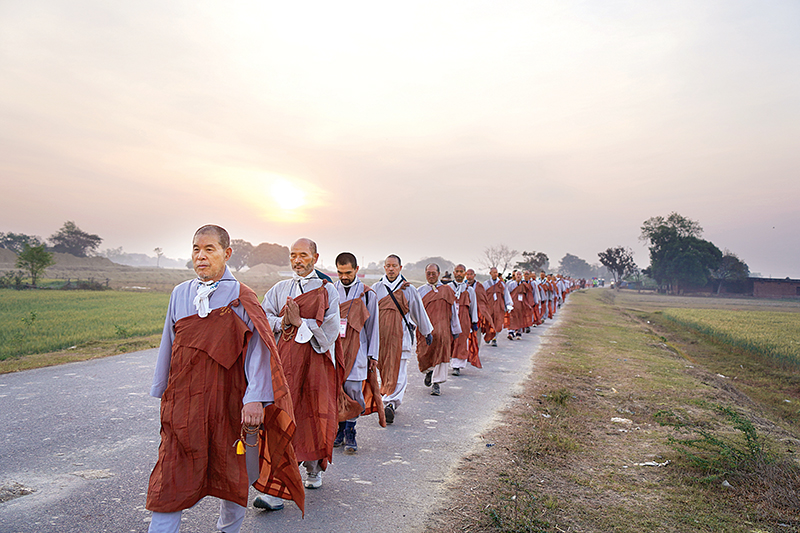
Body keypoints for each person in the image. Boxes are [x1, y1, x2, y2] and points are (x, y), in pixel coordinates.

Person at [146, 225, 303, 533]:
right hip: (184, 400)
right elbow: (169, 343)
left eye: (209, 250)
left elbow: (259, 349)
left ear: (226, 254)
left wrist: (255, 397)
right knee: (171, 472)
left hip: (227, 400)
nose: (201, 256)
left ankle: (228, 530)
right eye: (196, 249)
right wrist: (162, 389)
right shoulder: (180, 293)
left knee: (231, 471)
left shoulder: (242, 296)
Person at [258, 238, 339, 505]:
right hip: (283, 364)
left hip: (315, 365)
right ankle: (277, 486)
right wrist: (282, 322)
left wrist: (299, 323)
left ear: (315, 258)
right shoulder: (281, 288)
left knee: (311, 415)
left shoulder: (328, 291)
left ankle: (312, 469)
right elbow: (263, 316)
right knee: (282, 415)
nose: (297, 260)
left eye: (303, 255)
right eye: (293, 255)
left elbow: (329, 335)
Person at [372, 254, 433, 423]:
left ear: (400, 268)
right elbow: (368, 314)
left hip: (401, 337)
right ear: (384, 268)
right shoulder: (376, 288)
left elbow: (418, 311)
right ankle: (385, 397)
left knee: (399, 370)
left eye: (394, 266)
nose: (391, 269)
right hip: (381, 338)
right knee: (383, 370)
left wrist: (427, 331)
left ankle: (390, 403)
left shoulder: (409, 289)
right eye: (388, 266)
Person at [332, 252, 380, 454]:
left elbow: (373, 327)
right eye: (340, 272)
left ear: (357, 270)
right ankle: (340, 429)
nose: (344, 276)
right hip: (335, 351)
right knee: (336, 391)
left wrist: (373, 355)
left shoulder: (367, 294)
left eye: (348, 272)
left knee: (353, 390)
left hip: (358, 350)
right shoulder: (331, 291)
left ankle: (351, 430)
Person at [417, 263, 461, 396]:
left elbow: (453, 311)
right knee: (424, 354)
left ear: (438, 274)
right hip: (425, 331)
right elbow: (414, 312)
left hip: (443, 330)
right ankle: (429, 371)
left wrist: (455, 329)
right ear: (425, 274)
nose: (431, 276)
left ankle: (436, 383)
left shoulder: (447, 290)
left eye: (433, 273)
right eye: (428, 273)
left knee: (441, 355)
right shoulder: (419, 291)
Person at [447, 264, 480, 375]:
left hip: (463, 319)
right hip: (449, 318)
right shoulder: (447, 288)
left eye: (461, 271)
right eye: (457, 271)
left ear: (465, 274)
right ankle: (447, 360)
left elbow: (473, 306)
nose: (459, 274)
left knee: (461, 341)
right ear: (454, 273)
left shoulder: (469, 290)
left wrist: (474, 321)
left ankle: (457, 365)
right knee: (449, 340)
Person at [483, 267, 513, 346]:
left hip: (499, 307)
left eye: (496, 272)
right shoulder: (486, 284)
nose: (495, 274)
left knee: (498, 323)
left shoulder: (502, 284)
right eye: (493, 272)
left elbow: (506, 294)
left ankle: (494, 338)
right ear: (490, 273)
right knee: (489, 323)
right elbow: (482, 296)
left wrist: (508, 304)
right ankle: (489, 335)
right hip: (489, 307)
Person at [506, 270, 530, 340]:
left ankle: (518, 332)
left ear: (521, 276)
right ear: (515, 276)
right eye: (517, 274)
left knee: (520, 317)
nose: (518, 276)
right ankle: (511, 332)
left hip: (521, 304)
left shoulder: (524, 285)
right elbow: (508, 294)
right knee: (512, 318)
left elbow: (527, 295)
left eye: (520, 274)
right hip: (513, 304)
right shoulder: (511, 284)